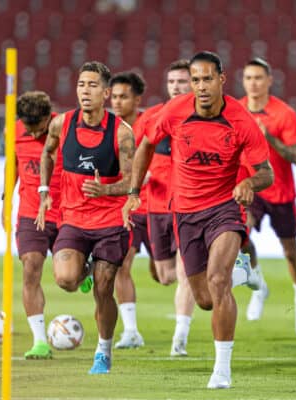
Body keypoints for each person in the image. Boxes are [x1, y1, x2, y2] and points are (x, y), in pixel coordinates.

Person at [123, 51, 272, 389]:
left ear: (222, 79)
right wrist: (134, 190)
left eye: (207, 79)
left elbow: (267, 173)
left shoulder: (241, 120)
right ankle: (242, 271)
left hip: (224, 209)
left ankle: (222, 369)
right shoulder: (175, 110)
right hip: (186, 212)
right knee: (204, 298)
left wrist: (248, 182)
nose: (201, 87)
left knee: (218, 282)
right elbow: (146, 146)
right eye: (196, 80)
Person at [37, 61, 136, 374]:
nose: (85, 90)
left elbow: (133, 183)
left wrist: (106, 190)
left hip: (110, 223)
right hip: (74, 220)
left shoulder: (121, 133)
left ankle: (103, 351)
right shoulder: (61, 124)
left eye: (93, 85)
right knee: (66, 279)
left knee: (104, 289)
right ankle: (86, 269)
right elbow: (47, 153)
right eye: (82, 84)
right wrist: (43, 190)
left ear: (106, 93)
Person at [239, 58, 296, 338]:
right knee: (240, 236)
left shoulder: (285, 114)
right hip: (250, 186)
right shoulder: (237, 110)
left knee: (290, 251)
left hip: (280, 191)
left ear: (269, 81)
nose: (253, 83)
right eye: (248, 78)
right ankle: (258, 285)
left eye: (258, 77)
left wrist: (269, 138)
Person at [135, 59, 197, 356]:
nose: (176, 87)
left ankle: (179, 339)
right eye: (172, 82)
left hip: (188, 206)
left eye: (182, 82)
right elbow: (132, 153)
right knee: (166, 276)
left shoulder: (202, 117)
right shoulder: (152, 117)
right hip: (156, 206)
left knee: (186, 274)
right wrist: (136, 177)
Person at [4, 91, 61, 359]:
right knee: (30, 268)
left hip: (66, 213)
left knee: (68, 279)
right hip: (30, 212)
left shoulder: (65, 129)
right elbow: (12, 165)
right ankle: (40, 341)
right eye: (27, 127)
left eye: (36, 127)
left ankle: (83, 270)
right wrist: (6, 200)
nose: (32, 132)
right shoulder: (15, 131)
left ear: (48, 118)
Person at [108, 71, 152, 349]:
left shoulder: (153, 123)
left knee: (167, 275)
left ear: (137, 99)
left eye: (123, 96)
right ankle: (131, 331)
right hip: (129, 209)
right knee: (121, 266)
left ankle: (160, 262)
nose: (117, 102)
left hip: (160, 206)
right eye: (113, 96)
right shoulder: (107, 127)